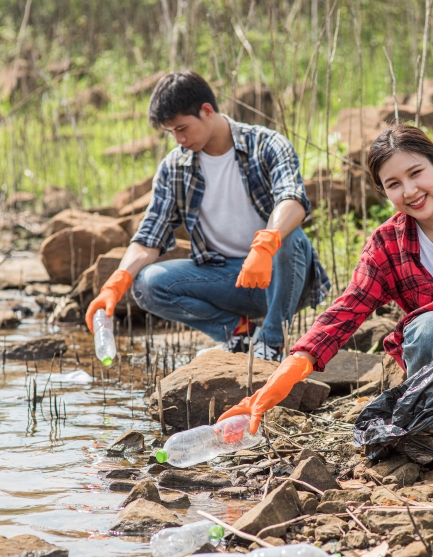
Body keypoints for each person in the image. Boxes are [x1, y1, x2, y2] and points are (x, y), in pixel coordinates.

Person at [220, 124, 433, 432]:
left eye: (416, 173)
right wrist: (288, 372)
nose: (410, 190)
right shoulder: (387, 244)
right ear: (384, 192)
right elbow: (346, 310)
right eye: (394, 184)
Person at [85, 71, 330, 361]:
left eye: (182, 128)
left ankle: (273, 343)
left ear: (207, 111)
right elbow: (150, 236)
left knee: (290, 237)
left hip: (282, 275)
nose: (178, 139)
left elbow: (293, 200)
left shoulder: (267, 145)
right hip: (228, 280)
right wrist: (117, 281)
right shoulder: (175, 167)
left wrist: (265, 245)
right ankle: (239, 334)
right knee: (146, 284)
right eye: (171, 133)